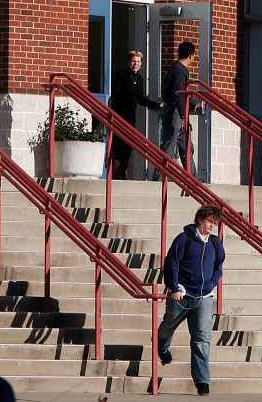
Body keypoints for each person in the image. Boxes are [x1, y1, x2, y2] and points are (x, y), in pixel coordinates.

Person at [158, 204, 225, 397]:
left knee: (202, 339)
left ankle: (202, 381)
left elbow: (219, 265)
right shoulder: (184, 238)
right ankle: (162, 347)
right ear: (200, 219)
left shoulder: (215, 243)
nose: (212, 226)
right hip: (182, 294)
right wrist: (174, 287)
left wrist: (212, 283)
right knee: (168, 326)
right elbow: (171, 262)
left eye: (215, 223)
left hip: (203, 297)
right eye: (209, 221)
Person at [109, 50, 163, 180]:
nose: (135, 64)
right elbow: (114, 96)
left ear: (141, 64)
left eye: (138, 62)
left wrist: (157, 105)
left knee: (127, 148)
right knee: (119, 147)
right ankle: (114, 176)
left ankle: (119, 176)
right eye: (133, 61)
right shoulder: (121, 76)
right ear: (128, 62)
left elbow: (140, 98)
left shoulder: (139, 79)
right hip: (119, 117)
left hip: (130, 117)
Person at [152, 41, 201, 181]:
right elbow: (179, 94)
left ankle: (193, 180)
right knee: (168, 146)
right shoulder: (180, 70)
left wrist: (194, 102)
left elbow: (182, 93)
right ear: (191, 55)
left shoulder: (176, 68)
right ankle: (158, 181)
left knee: (187, 147)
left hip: (175, 110)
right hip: (174, 112)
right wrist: (183, 115)